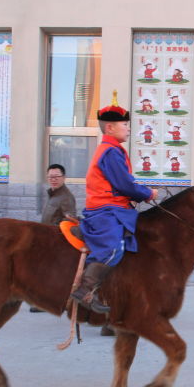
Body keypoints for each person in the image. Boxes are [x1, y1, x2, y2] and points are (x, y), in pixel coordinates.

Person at [70, 93, 158, 314]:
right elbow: (125, 185)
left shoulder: (113, 150)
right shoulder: (110, 151)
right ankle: (84, 291)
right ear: (110, 128)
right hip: (105, 211)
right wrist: (147, 193)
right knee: (113, 250)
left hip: (114, 209)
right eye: (125, 125)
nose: (129, 129)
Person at [31, 164, 77, 312]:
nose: (53, 179)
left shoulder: (66, 197)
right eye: (51, 177)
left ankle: (47, 303)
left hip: (56, 242)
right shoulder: (53, 194)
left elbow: (70, 221)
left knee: (48, 274)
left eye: (57, 177)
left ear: (64, 178)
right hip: (46, 241)